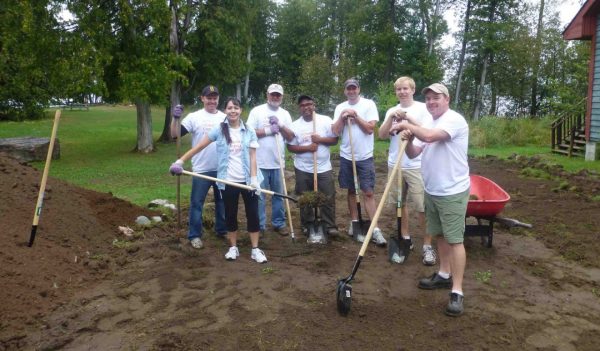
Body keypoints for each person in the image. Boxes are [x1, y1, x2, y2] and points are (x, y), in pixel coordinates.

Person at [396, 83, 470, 317]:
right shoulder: (429, 122)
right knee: (438, 234)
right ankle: (444, 274)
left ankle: (457, 291)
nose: (431, 102)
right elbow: (415, 153)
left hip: (452, 191)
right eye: (427, 98)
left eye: (436, 97)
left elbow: (429, 136)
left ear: (446, 99)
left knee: (455, 240)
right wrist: (406, 140)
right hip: (433, 189)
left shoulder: (454, 120)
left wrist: (407, 124)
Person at [170, 97, 268, 264]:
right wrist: (181, 161)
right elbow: (199, 146)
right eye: (229, 108)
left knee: (253, 215)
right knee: (230, 214)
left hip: (248, 181)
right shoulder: (219, 130)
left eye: (236, 108)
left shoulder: (250, 130)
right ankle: (233, 247)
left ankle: (255, 249)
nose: (233, 111)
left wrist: (253, 180)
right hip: (228, 181)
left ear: (240, 110)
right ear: (225, 111)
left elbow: (252, 157)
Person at [379, 76, 436, 266]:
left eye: (405, 88)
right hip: (395, 164)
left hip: (416, 164)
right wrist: (390, 118)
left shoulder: (422, 109)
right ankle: (405, 237)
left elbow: (427, 132)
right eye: (399, 89)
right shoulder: (391, 110)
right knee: (399, 204)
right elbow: (381, 135)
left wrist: (408, 119)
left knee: (422, 206)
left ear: (412, 89)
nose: (402, 92)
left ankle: (428, 246)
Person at [170, 85, 227, 249]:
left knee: (222, 202)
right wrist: (175, 119)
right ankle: (194, 235)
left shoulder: (224, 118)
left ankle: (221, 230)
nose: (212, 100)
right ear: (202, 98)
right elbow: (175, 135)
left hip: (222, 168)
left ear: (218, 99)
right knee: (197, 203)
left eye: (215, 97)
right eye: (209, 97)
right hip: (201, 169)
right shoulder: (194, 117)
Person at [331, 78, 386, 246]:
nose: (351, 91)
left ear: (359, 89)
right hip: (347, 155)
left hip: (365, 156)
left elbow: (370, 129)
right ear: (345, 91)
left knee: (368, 192)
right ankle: (355, 223)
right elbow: (335, 131)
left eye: (354, 88)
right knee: (351, 191)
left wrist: (355, 116)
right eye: (349, 89)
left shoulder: (369, 104)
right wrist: (342, 117)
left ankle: (374, 229)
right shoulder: (340, 107)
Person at [286, 95, 339, 242]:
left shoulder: (325, 120)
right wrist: (308, 148)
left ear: (314, 105)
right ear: (299, 108)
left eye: (309, 104)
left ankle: (329, 225)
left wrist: (320, 140)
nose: (306, 107)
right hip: (302, 168)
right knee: (305, 198)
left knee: (328, 196)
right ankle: (307, 224)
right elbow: (290, 147)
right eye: (303, 105)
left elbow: (334, 140)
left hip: (323, 168)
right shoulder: (295, 125)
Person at [246, 84, 294, 236]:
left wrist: (280, 126)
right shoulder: (257, 111)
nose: (275, 97)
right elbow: (248, 133)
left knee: (278, 195)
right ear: (267, 95)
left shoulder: (285, 114)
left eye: (278, 95)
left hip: (278, 163)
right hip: (259, 163)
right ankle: (259, 226)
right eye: (272, 94)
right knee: (259, 196)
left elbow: (291, 136)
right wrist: (268, 130)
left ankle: (279, 223)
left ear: (282, 96)